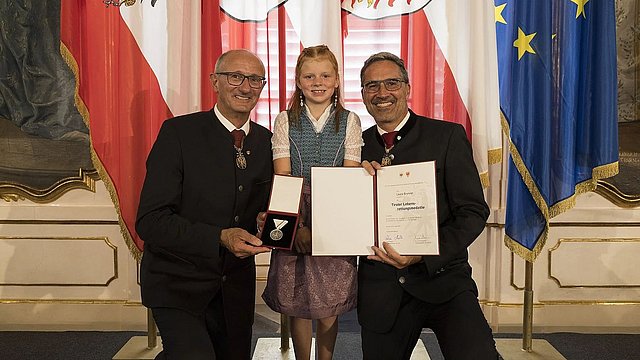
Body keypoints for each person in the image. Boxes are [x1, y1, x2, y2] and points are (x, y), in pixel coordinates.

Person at [358, 52, 498, 360]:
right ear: (364, 94)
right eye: (372, 86)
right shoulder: (354, 146)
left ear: (408, 88)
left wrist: (423, 253)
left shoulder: (446, 136)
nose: (382, 93)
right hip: (382, 290)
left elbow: (473, 212)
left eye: (391, 83)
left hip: (444, 279)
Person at [136, 49, 273, 360]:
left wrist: (264, 222)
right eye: (235, 76)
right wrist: (219, 237)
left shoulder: (267, 142)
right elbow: (150, 221)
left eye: (254, 79)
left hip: (234, 290)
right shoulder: (179, 134)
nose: (245, 86)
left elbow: (263, 212)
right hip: (177, 282)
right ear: (215, 81)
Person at [261, 45, 363, 360]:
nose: (317, 82)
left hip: (335, 209)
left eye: (325, 75)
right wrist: (299, 227)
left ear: (336, 81)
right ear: (298, 81)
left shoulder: (349, 120)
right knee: (297, 296)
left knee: (330, 295)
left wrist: (324, 225)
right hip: (291, 208)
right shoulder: (284, 120)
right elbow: (284, 177)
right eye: (309, 75)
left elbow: (348, 179)